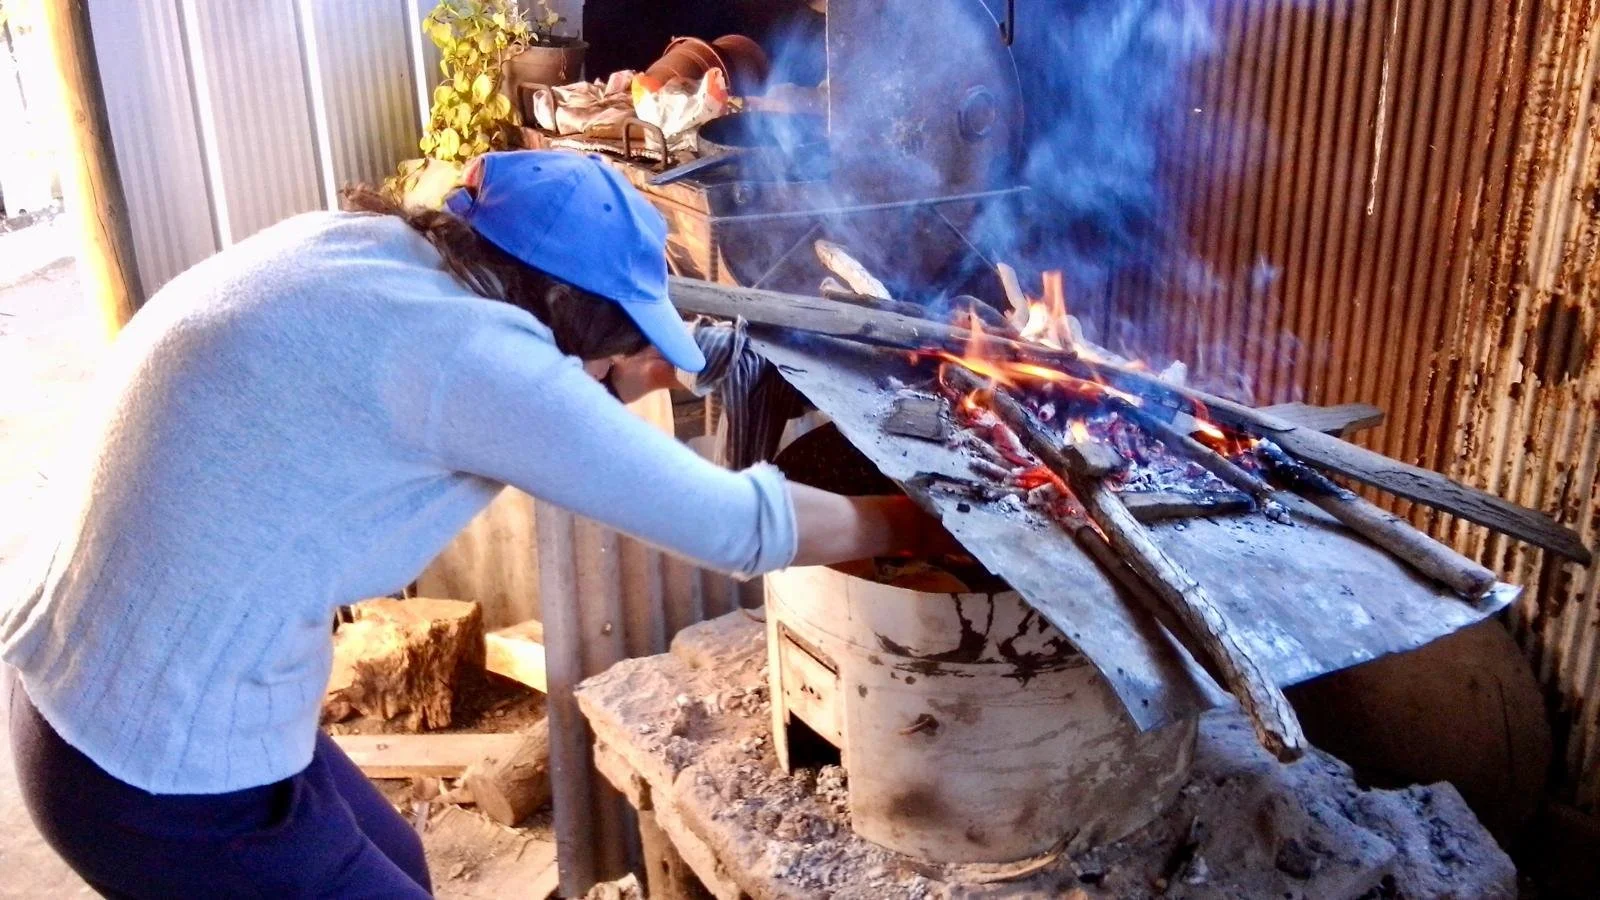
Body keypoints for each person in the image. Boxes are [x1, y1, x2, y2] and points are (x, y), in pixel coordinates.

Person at [1, 151, 949, 898]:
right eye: (631, 337)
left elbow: (613, 366)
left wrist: (694, 350)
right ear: (569, 311)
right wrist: (923, 524)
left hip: (83, 679)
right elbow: (739, 525)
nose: (647, 367)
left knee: (397, 860)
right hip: (156, 765)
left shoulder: (379, 252)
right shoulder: (469, 361)